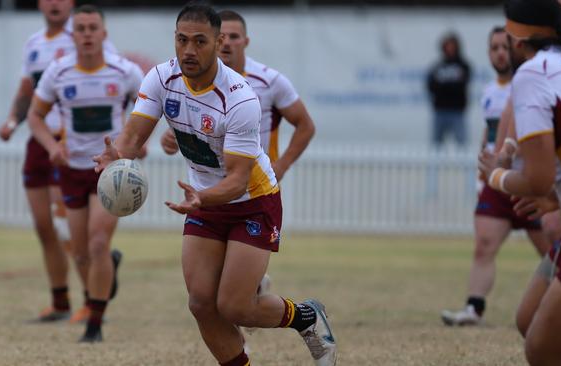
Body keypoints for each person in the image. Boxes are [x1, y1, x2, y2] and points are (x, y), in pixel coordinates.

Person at [94, 4, 336, 365]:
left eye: (199, 41)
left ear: (218, 41)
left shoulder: (239, 98)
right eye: (181, 40)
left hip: (253, 201)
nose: (188, 50)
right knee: (201, 304)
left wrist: (202, 198)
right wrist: (117, 157)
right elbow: (132, 135)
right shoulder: (161, 78)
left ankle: (305, 316)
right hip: (204, 203)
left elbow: (238, 179)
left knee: (235, 306)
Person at [159, 9, 317, 314]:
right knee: (209, 298)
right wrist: (172, 137)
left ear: (245, 41)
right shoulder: (189, 81)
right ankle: (246, 300)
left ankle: (253, 295)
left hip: (254, 188)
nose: (228, 43)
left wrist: (280, 166)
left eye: (234, 37)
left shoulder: (267, 81)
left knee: (231, 303)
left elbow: (305, 125)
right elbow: (195, 127)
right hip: (213, 192)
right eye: (224, 37)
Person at [28, 4, 143, 342]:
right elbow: (36, 116)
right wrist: (52, 146)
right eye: (81, 28)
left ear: (104, 34)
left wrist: (135, 142)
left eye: (94, 28)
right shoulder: (58, 72)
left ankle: (94, 324)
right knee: (79, 251)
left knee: (96, 242)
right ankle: (107, 269)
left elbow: (150, 107)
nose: (88, 34)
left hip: (111, 171)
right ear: (72, 34)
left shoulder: (124, 71)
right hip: (72, 169)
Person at [478, 0, 561, 364]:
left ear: (516, 39)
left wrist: (496, 176)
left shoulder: (535, 74)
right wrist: (556, 198)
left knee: (542, 347)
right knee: (529, 320)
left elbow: (537, 177)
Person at [441, 26, 551, 326]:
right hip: (496, 183)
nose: (501, 52)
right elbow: (489, 134)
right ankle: (473, 308)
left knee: (553, 249)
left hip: (530, 182)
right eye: (494, 48)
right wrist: (483, 169)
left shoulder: (533, 83)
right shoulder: (489, 91)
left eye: (505, 46)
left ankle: (560, 306)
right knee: (484, 245)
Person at [0, 0, 89, 323]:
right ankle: (60, 301)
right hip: (38, 142)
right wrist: (11, 120)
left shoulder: (83, 35)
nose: (54, 3)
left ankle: (94, 297)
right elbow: (27, 90)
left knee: (66, 223)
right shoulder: (34, 44)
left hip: (69, 143)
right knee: (42, 225)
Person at [426, 32, 472, 148]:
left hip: (457, 112)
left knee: (462, 145)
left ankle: (465, 167)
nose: (450, 49)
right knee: (436, 147)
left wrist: (444, 85)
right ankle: (433, 167)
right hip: (440, 111)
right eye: (447, 46)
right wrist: (450, 85)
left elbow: (462, 85)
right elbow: (431, 86)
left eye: (452, 46)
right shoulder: (437, 67)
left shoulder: (464, 66)